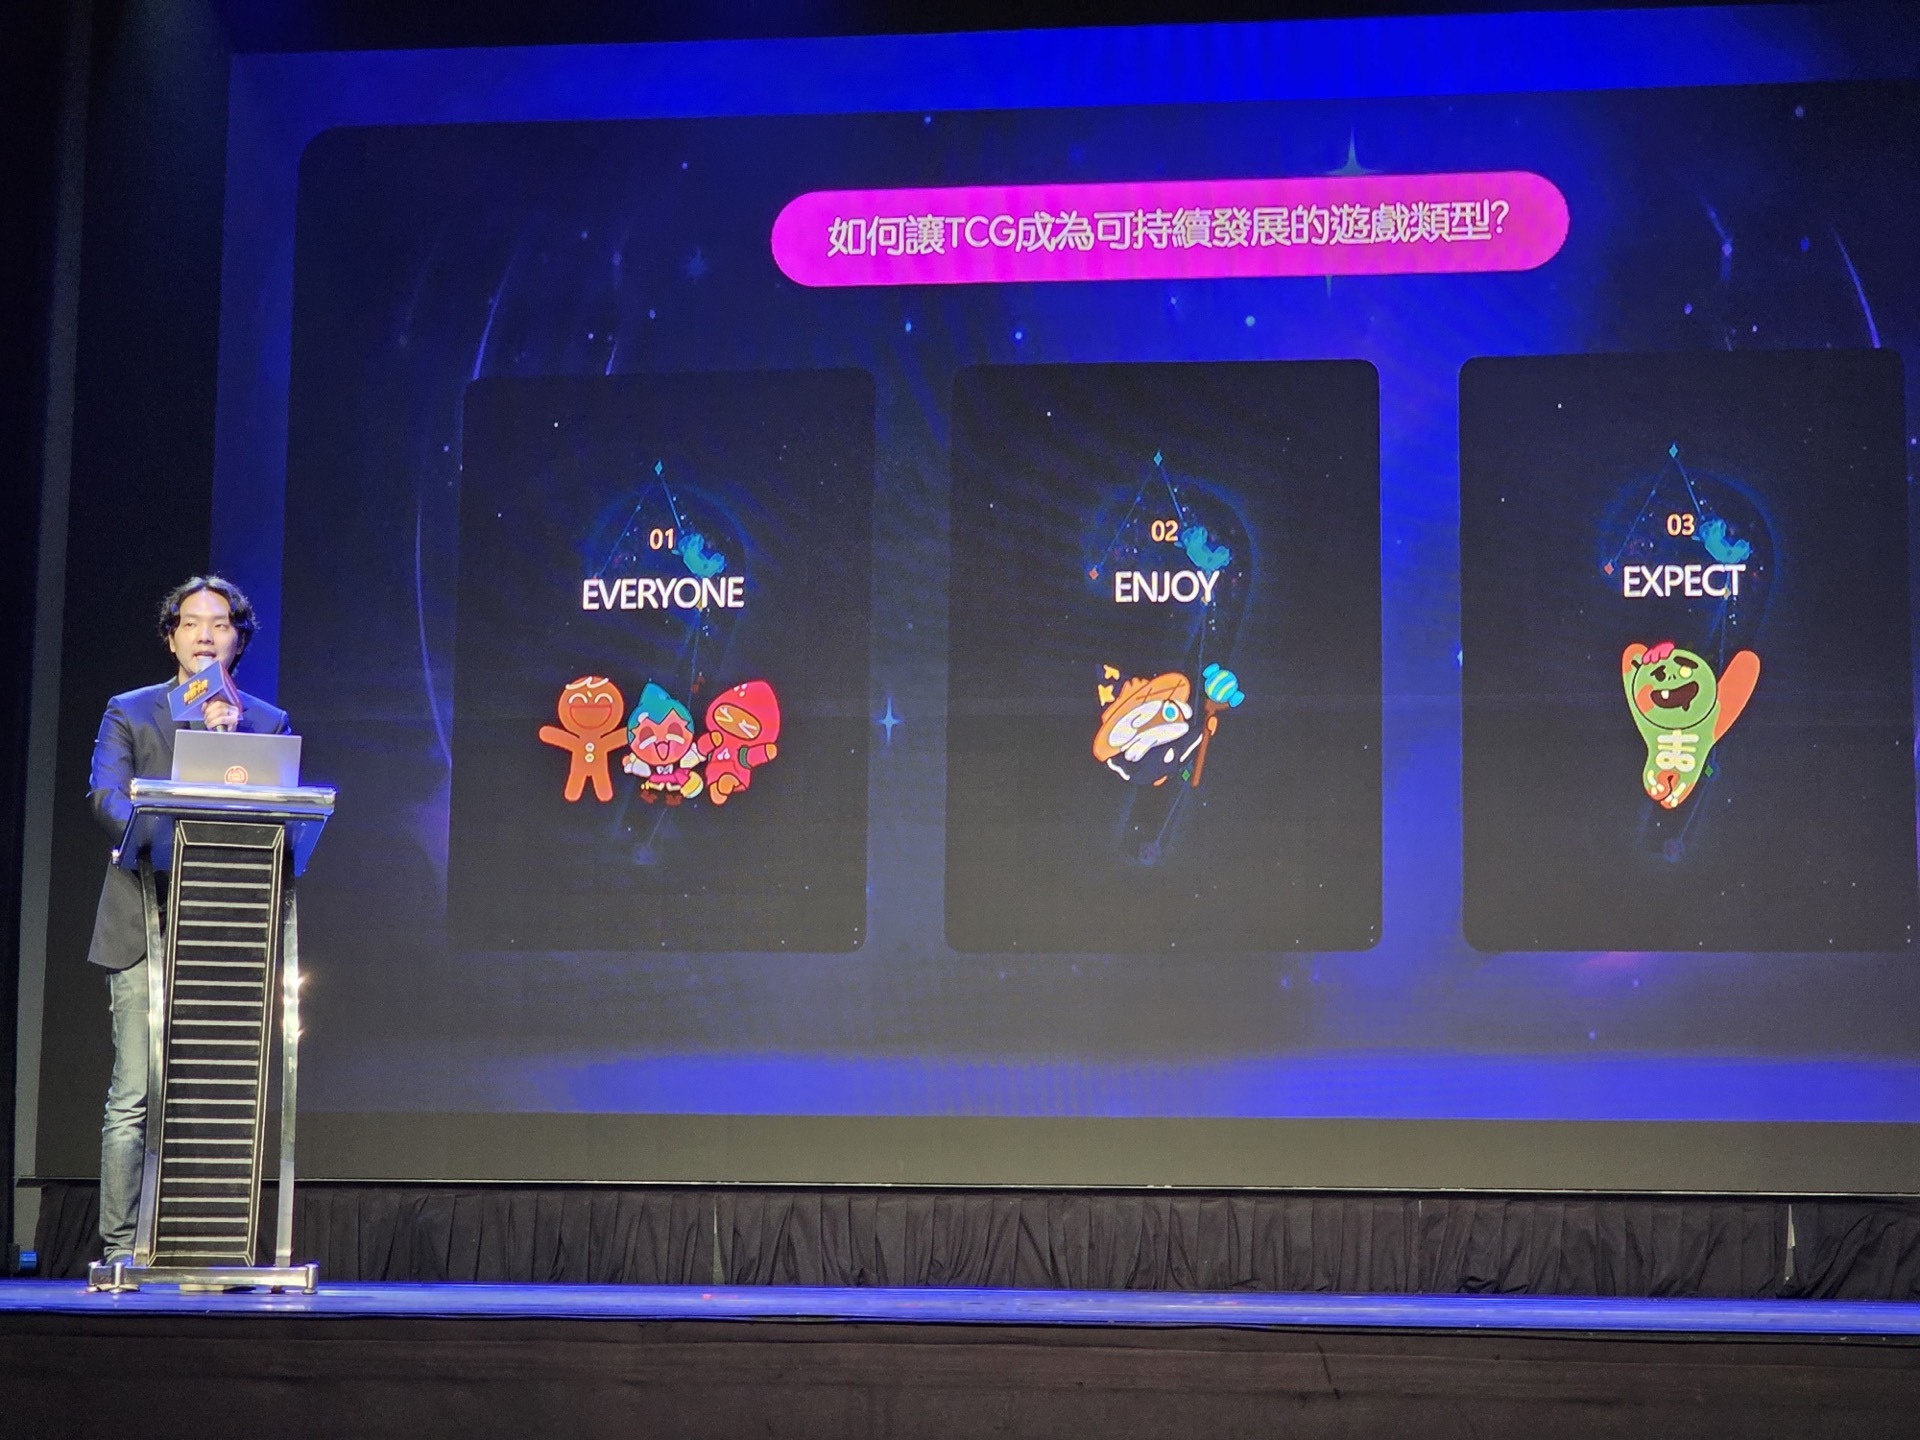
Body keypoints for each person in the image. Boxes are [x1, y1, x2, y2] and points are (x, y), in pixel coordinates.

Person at [87, 576, 291, 1263]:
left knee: (215, 1095)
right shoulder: (131, 711)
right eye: (192, 623)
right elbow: (107, 797)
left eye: (220, 624)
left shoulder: (264, 722)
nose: (206, 634)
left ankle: (206, 1244)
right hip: (141, 918)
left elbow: (274, 817)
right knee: (135, 1094)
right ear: (171, 636)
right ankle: (122, 1249)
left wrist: (226, 740)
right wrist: (157, 831)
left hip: (225, 927)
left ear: (239, 640)